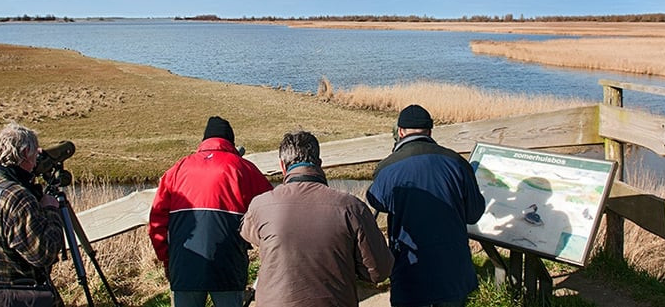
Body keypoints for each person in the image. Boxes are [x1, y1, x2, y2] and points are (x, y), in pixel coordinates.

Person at [240, 130, 394, 307]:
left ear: (282, 166)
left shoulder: (260, 206)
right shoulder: (352, 207)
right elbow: (379, 271)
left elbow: (248, 234)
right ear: (319, 163)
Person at [366, 105, 486, 307]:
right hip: (453, 271)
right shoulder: (457, 162)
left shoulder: (387, 168)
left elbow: (376, 201)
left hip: (409, 270)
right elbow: (474, 214)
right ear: (430, 131)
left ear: (401, 132)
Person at [148, 116, 272, 307]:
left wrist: (167, 259)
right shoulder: (244, 168)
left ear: (204, 141)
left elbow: (157, 221)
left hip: (184, 264)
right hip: (228, 265)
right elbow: (271, 209)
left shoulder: (177, 170)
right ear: (230, 142)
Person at [0, 122, 64, 307]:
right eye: (34, 155)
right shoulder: (18, 198)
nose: (36, 161)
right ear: (25, 153)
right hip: (14, 298)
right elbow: (44, 254)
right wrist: (51, 209)